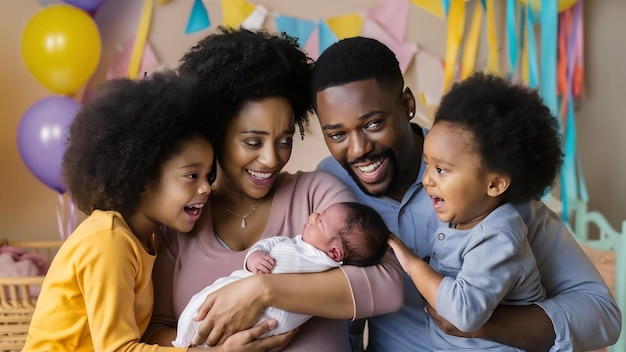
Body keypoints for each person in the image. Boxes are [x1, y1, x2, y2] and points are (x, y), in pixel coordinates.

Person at [311, 36, 621, 351]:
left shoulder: (483, 169)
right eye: (337, 134)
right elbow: (335, 304)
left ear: (407, 105)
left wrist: (480, 325)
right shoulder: (330, 184)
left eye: (374, 124)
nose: (359, 149)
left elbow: (602, 315)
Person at [144, 27, 404, 352]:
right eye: (253, 142)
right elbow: (155, 331)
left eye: (285, 141)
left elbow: (389, 286)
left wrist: (262, 290)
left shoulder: (316, 194)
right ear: (215, 133)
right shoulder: (181, 219)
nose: (271, 159)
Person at [23, 70, 229, 351]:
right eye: (192, 176)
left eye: (209, 176)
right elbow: (119, 349)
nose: (206, 188)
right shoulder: (109, 242)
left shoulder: (145, 238)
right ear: (142, 179)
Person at [387, 72, 564, 350]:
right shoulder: (459, 219)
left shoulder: (499, 237)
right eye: (428, 165)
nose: (426, 179)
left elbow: (463, 314)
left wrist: (411, 264)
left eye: (442, 170)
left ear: (494, 184)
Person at [173, 201, 390, 347]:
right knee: (203, 309)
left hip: (268, 324)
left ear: (334, 253)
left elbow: (382, 283)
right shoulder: (297, 243)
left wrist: (263, 290)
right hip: (229, 294)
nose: (313, 216)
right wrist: (254, 257)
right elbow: (270, 244)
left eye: (321, 221)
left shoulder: (325, 264)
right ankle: (186, 342)